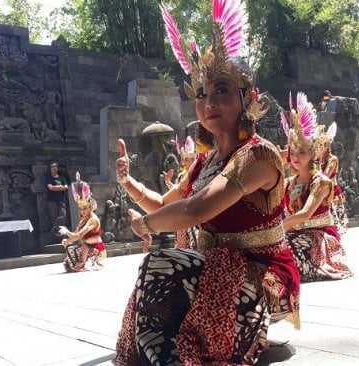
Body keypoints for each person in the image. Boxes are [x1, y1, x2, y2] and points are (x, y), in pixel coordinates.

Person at [114, 1, 300, 364]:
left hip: (259, 271)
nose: (208, 101)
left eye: (221, 90)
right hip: (214, 264)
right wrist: (128, 182)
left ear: (249, 99)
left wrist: (147, 226)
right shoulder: (205, 161)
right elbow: (165, 203)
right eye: (201, 92)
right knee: (162, 271)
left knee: (162, 264)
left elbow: (196, 210)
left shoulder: (257, 155)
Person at [281, 93, 353, 282]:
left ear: (312, 155)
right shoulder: (288, 182)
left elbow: (305, 214)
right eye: (293, 153)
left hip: (318, 236)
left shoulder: (320, 182)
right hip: (293, 231)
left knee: (287, 246)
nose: (296, 157)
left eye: (302, 152)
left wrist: (277, 228)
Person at [59, 182, 106, 272]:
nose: (82, 211)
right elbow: (75, 235)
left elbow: (80, 235)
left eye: (85, 208)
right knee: (69, 257)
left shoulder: (93, 220)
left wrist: (67, 234)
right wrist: (67, 240)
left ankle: (89, 261)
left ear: (90, 208)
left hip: (96, 248)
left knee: (76, 253)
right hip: (87, 246)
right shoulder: (84, 220)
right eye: (81, 208)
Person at [313, 122, 349, 235]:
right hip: (320, 190)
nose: (320, 147)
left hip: (331, 190)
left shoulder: (332, 159)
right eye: (318, 144)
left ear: (328, 145)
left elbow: (325, 175)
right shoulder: (316, 160)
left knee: (335, 216)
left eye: (323, 145)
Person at [45, 161, 68, 237]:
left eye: (55, 166)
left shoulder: (62, 178)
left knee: (63, 214)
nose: (54, 168)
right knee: (54, 216)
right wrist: (60, 187)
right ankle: (57, 233)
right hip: (52, 200)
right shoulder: (48, 178)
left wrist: (56, 188)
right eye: (52, 167)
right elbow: (50, 187)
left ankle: (54, 229)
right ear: (50, 169)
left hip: (61, 199)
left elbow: (66, 187)